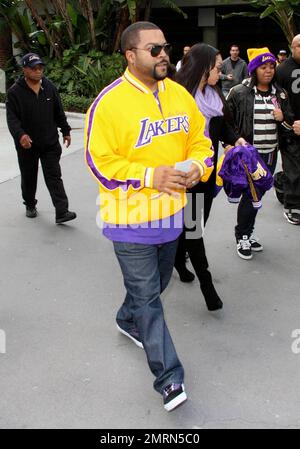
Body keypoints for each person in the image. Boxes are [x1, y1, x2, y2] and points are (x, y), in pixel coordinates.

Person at [84, 22, 213, 411]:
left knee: (156, 285)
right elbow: (98, 162)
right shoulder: (108, 103)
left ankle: (126, 318)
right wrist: (148, 175)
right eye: (153, 49)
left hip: (172, 214)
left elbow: (200, 140)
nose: (163, 55)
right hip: (129, 220)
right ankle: (169, 378)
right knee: (149, 298)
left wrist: (195, 165)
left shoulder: (177, 94)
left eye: (165, 48)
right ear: (130, 55)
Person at [175, 43, 246, 310]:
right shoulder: (180, 99)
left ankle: (178, 259)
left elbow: (224, 126)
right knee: (194, 229)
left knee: (196, 224)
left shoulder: (214, 95)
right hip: (186, 176)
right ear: (203, 69)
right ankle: (207, 285)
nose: (220, 72)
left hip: (208, 174)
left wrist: (235, 139)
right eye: (217, 68)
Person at [227, 47, 294, 259]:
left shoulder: (280, 93)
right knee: (251, 195)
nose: (269, 71)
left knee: (258, 194)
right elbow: (226, 121)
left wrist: (283, 116)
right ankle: (242, 235)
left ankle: (248, 231)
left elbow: (289, 122)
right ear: (254, 69)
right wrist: (230, 144)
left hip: (271, 153)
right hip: (249, 155)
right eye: (263, 67)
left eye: (272, 66)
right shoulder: (239, 92)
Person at [6, 52, 76, 224]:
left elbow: (58, 111)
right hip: (27, 144)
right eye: (34, 68)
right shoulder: (15, 92)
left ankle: (62, 211)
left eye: (40, 68)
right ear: (25, 70)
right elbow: (12, 119)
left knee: (54, 176)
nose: (38, 71)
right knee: (29, 176)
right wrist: (21, 135)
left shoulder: (49, 86)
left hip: (50, 142)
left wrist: (65, 130)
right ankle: (30, 204)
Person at [276, 35, 300, 224]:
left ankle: (279, 181)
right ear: (292, 47)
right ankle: (292, 205)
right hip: (290, 126)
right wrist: (287, 122)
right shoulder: (282, 70)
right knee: (293, 166)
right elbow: (277, 97)